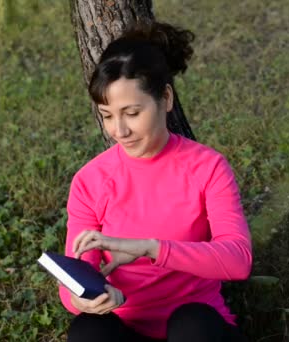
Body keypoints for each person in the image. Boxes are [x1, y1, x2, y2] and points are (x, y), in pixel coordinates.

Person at [57, 20, 252, 342]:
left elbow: (237, 259)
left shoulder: (207, 167)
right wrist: (80, 299)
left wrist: (149, 248)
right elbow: (77, 275)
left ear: (166, 98)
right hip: (126, 325)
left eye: (132, 113)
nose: (119, 130)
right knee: (87, 330)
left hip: (193, 327)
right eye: (107, 115)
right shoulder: (90, 180)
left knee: (193, 325)